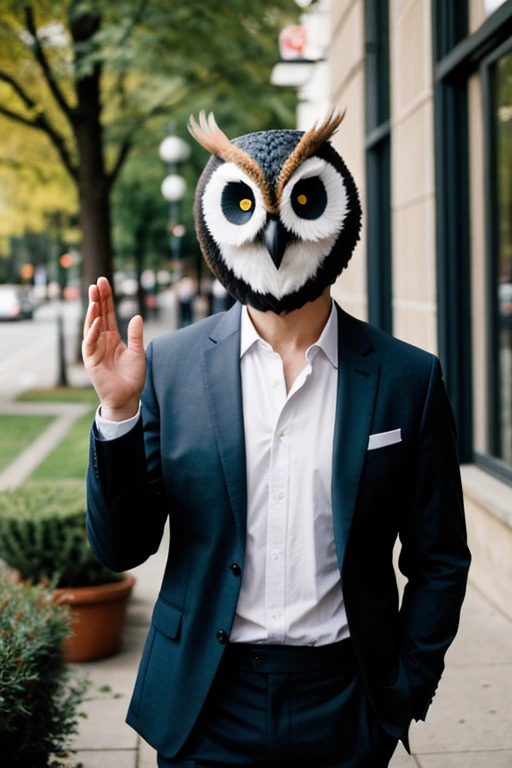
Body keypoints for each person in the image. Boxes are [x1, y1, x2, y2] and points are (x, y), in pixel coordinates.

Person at [84, 112, 471, 767]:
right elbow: (123, 547)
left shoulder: (410, 379)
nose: (271, 233)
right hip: (205, 699)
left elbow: (440, 558)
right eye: (244, 205)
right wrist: (118, 413)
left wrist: (406, 686)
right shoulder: (170, 369)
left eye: (300, 203)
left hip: (349, 701)